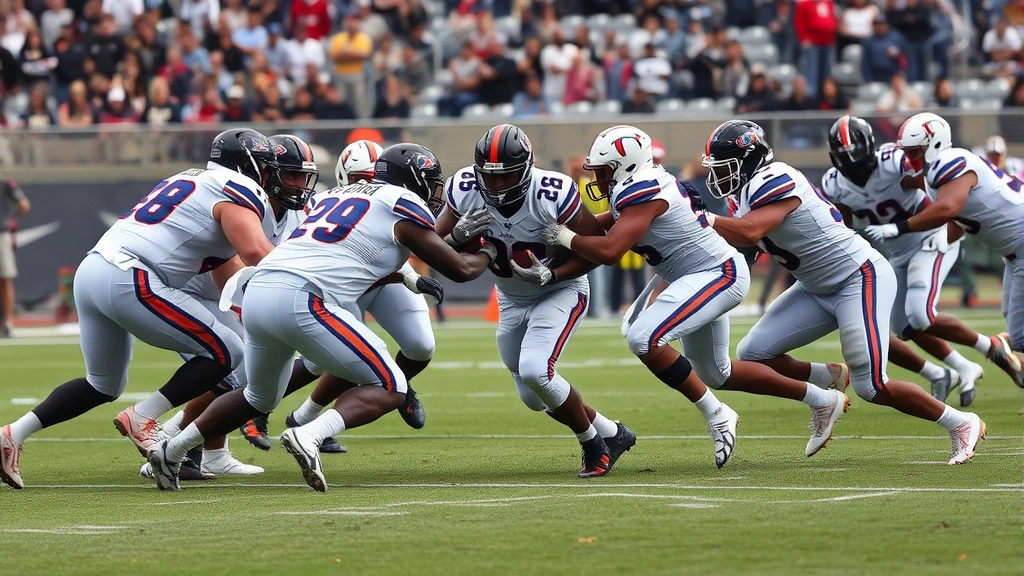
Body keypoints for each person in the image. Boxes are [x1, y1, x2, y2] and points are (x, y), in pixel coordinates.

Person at [147, 144, 494, 492]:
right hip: (303, 297)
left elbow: (362, 258)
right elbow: (461, 270)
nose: (434, 193)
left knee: (257, 397)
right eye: (431, 184)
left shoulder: (334, 197)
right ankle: (309, 433)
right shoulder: (401, 202)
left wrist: (426, 261)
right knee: (391, 387)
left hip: (259, 291)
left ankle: (171, 450)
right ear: (416, 181)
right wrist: (490, 251)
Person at [542, 125, 850, 466]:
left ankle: (717, 414)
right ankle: (821, 398)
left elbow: (610, 249)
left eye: (602, 171)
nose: (597, 179)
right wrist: (552, 238)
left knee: (643, 338)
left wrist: (563, 236)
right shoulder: (633, 185)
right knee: (715, 373)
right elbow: (602, 225)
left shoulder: (643, 187)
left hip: (717, 273)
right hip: (689, 277)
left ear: (624, 166)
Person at [0, 130, 285, 489]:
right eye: (268, 168)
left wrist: (249, 302)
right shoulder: (238, 187)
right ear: (250, 165)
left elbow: (224, 272)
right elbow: (255, 250)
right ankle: (144, 417)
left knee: (103, 384)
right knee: (229, 350)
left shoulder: (191, 179)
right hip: (131, 275)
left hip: (93, 270)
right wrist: (304, 273)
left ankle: (11, 434)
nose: (270, 176)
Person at [702, 119, 986, 466]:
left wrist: (705, 219)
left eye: (725, 167)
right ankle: (828, 382)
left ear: (749, 159)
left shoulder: (774, 177)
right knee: (753, 352)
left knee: (872, 387)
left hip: (858, 277)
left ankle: (960, 423)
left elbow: (750, 231)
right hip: (815, 287)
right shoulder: (741, 197)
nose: (718, 176)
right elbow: (744, 247)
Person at [436, 124, 637, 478]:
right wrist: (453, 236)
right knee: (533, 396)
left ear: (527, 169)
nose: (497, 185)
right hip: (510, 297)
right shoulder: (464, 188)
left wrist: (553, 275)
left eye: (506, 176)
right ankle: (613, 433)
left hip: (560, 290)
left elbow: (598, 251)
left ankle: (594, 445)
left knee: (535, 370)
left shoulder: (553, 193)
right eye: (490, 176)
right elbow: (432, 245)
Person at [823, 116, 1023, 404]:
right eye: (844, 157)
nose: (851, 162)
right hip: (902, 251)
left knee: (920, 314)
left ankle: (989, 347)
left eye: (914, 152)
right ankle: (962, 366)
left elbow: (947, 206)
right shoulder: (835, 183)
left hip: (929, 239)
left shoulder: (917, 164)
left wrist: (912, 228)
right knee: (902, 325)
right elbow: (843, 227)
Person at [0, 163, 29, 337]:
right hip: (2, 233)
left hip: (2, 234)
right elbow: (24, 205)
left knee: (5, 279)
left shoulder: (6, 184)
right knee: (5, 279)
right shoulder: (5, 184)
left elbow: (24, 205)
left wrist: (9, 219)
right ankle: (7, 322)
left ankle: (8, 321)